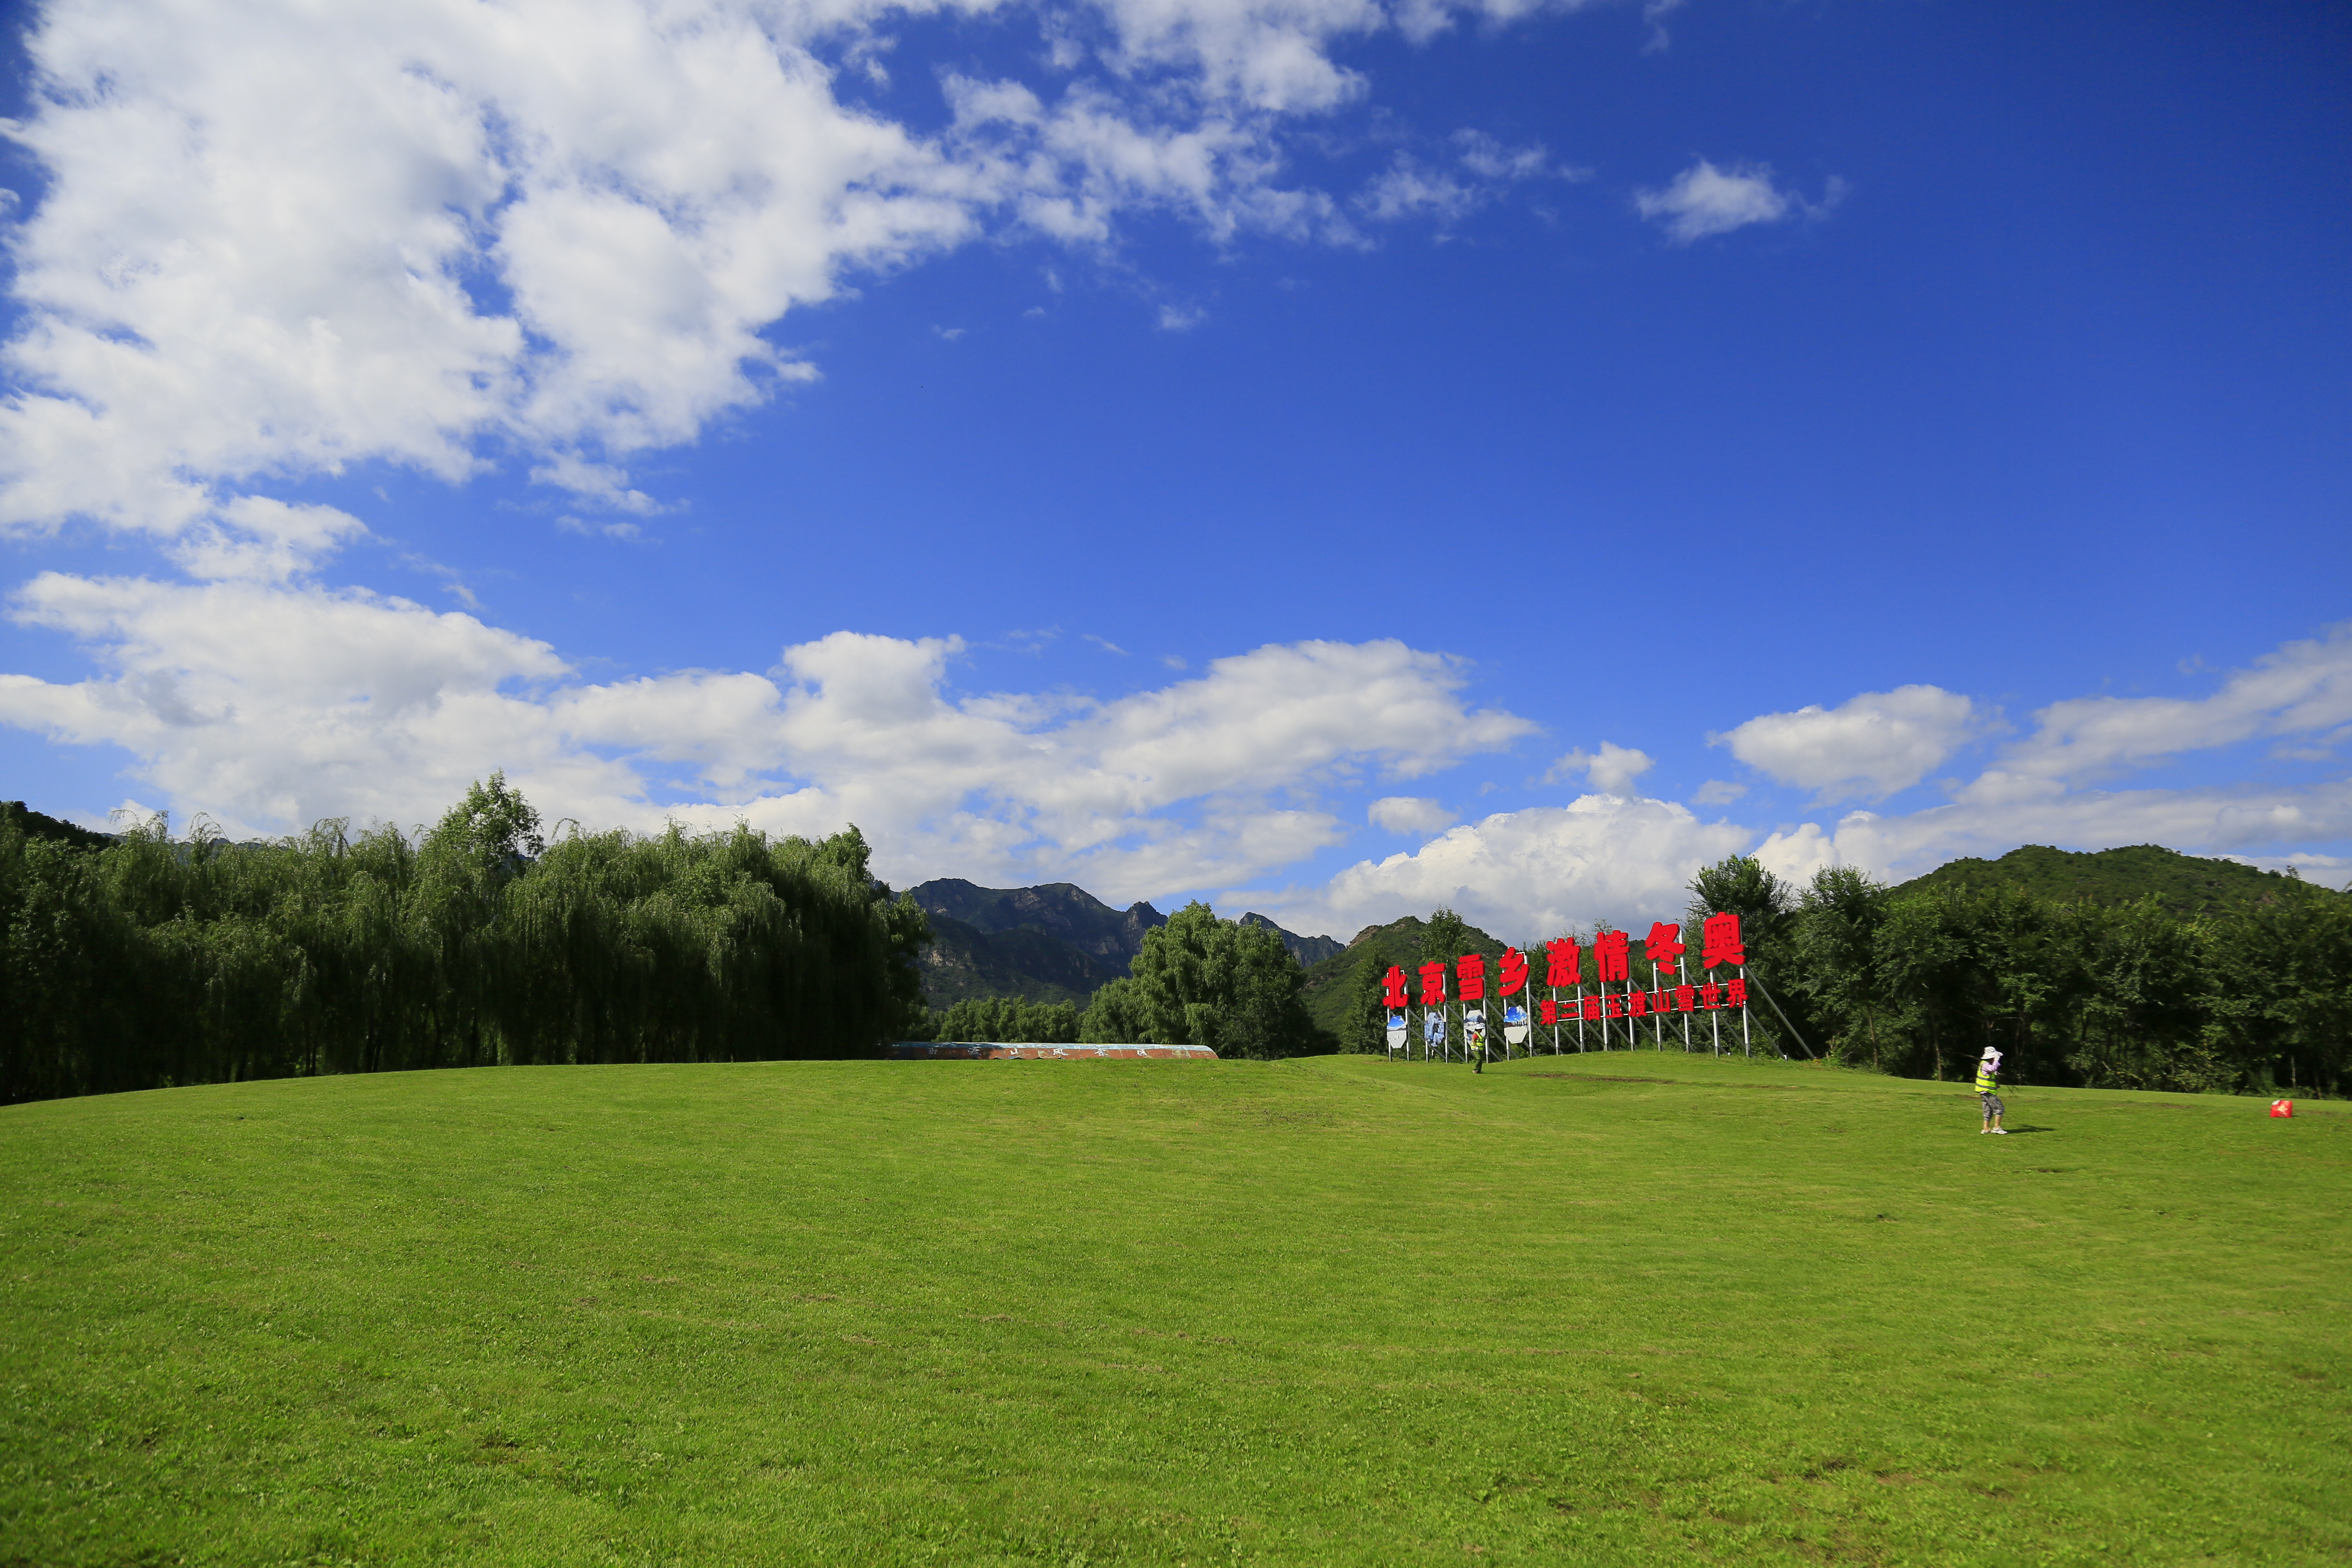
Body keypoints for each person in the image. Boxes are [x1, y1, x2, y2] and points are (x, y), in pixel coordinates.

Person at [1976, 1048, 2007, 1134]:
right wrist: (1997, 1060)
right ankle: (1997, 1128)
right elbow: (1992, 1069)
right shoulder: (1986, 1064)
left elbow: (1991, 1072)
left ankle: (1986, 1129)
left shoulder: (1984, 1064)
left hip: (1985, 1092)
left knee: (1988, 1110)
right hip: (1988, 1092)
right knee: (2000, 1109)